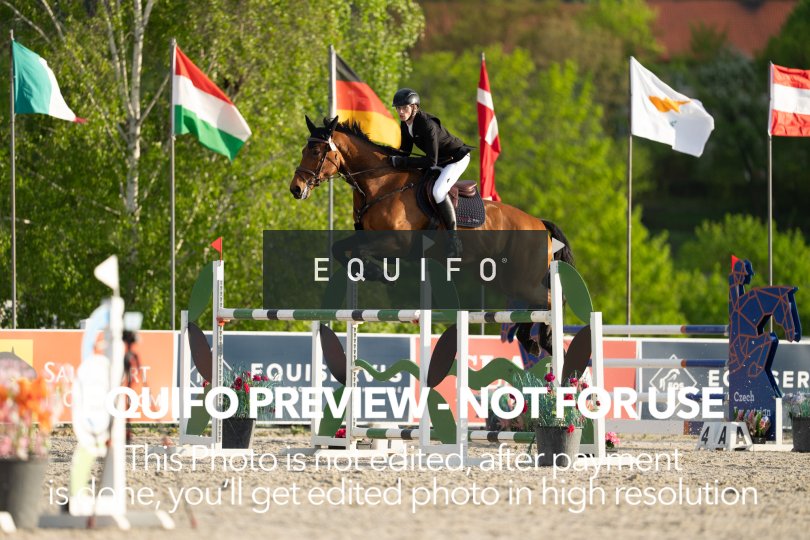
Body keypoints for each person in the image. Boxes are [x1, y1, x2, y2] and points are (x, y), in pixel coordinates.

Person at [390, 88, 472, 249]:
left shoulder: (427, 125)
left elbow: (430, 160)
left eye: (404, 108)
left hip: (456, 158)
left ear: (414, 107)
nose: (400, 112)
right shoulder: (405, 124)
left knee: (438, 191)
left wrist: (402, 162)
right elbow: (405, 152)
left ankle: (454, 239)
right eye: (398, 108)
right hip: (441, 160)